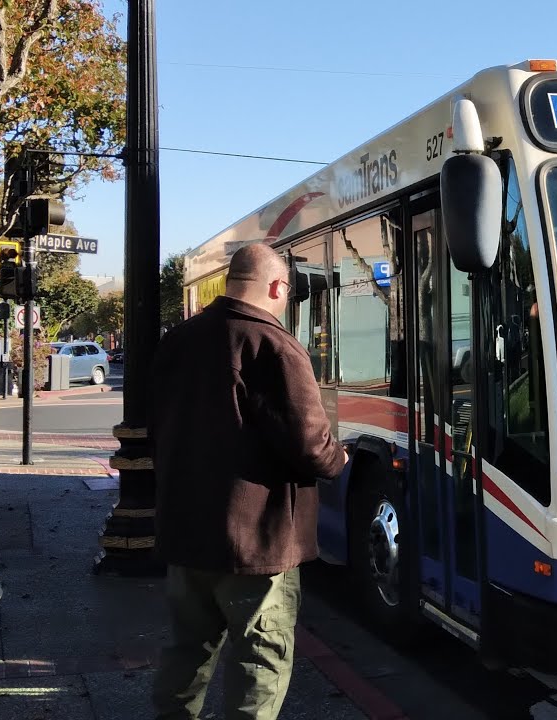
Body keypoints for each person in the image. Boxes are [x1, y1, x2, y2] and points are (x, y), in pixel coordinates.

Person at [150, 243, 347, 720]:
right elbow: (310, 445)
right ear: (277, 287)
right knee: (259, 663)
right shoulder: (273, 345)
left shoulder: (179, 339)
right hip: (255, 547)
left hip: (187, 537)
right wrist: (339, 456)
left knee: (187, 652)